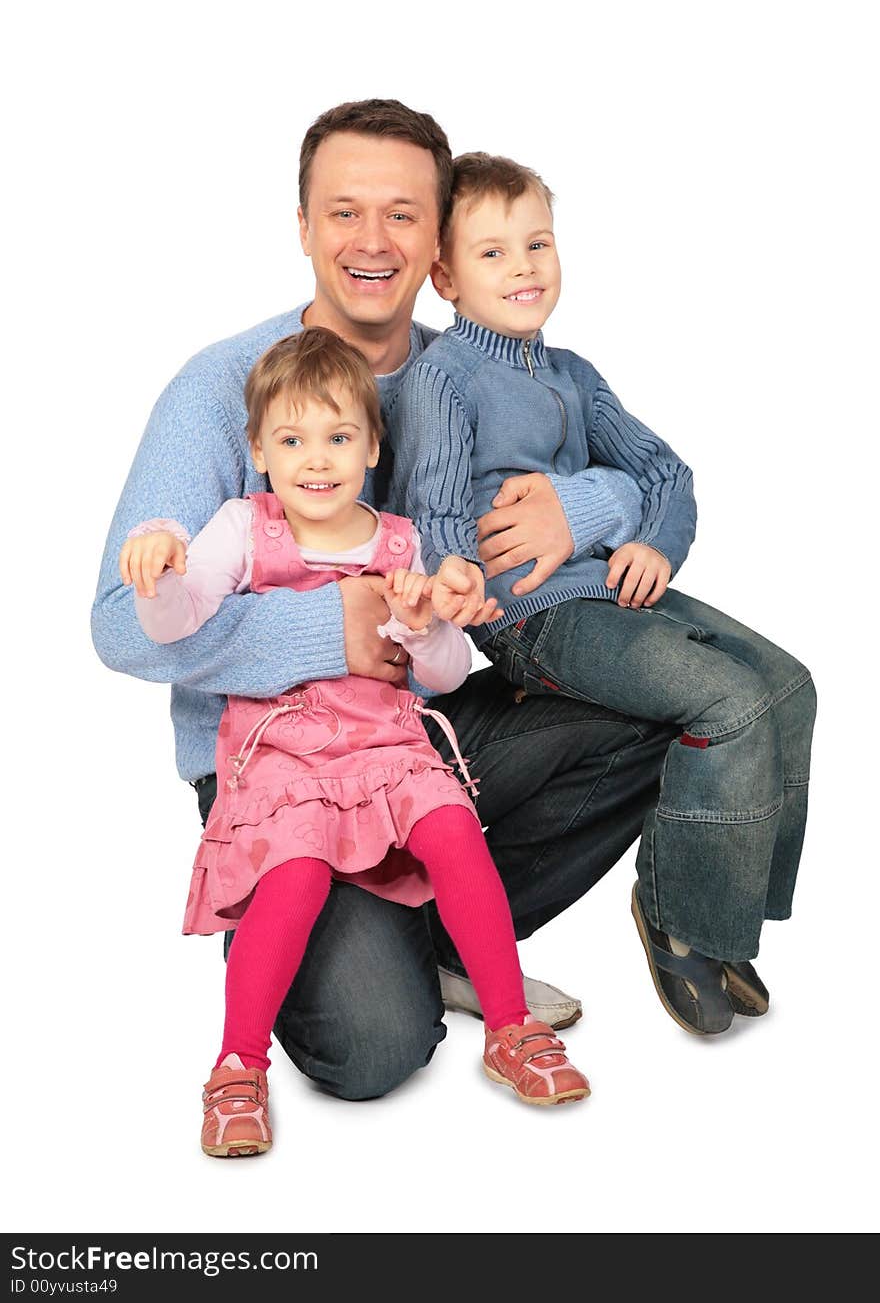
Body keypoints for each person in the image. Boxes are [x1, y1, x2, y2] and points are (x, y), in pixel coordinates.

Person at [90, 100, 739, 1104]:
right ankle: (341, 944)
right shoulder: (225, 391)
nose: (369, 240)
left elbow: (624, 472)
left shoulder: (466, 374)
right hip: (274, 765)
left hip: (408, 738)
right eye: (342, 211)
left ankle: (430, 930)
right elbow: (119, 623)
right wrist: (330, 627)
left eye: (402, 214)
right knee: (376, 1046)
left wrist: (588, 500)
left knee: (656, 697)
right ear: (301, 225)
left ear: (439, 244)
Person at [120, 328, 591, 1153]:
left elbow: (442, 677)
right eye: (293, 440)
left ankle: (509, 1026)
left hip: (387, 752)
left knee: (452, 829)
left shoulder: (402, 542)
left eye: (338, 438)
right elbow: (177, 622)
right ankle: (238, 1064)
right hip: (283, 757)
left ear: (373, 445)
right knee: (294, 875)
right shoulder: (243, 527)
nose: (317, 460)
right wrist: (161, 574)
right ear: (260, 451)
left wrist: (420, 626)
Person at [385, 151, 818, 1034]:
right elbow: (429, 513)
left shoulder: (574, 375)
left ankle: (729, 917)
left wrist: (655, 541)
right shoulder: (445, 377)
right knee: (728, 702)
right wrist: (457, 570)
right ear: (446, 277)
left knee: (788, 683)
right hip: (535, 617)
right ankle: (680, 919)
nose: (524, 268)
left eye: (537, 244)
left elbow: (666, 473)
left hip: (610, 594)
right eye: (494, 252)